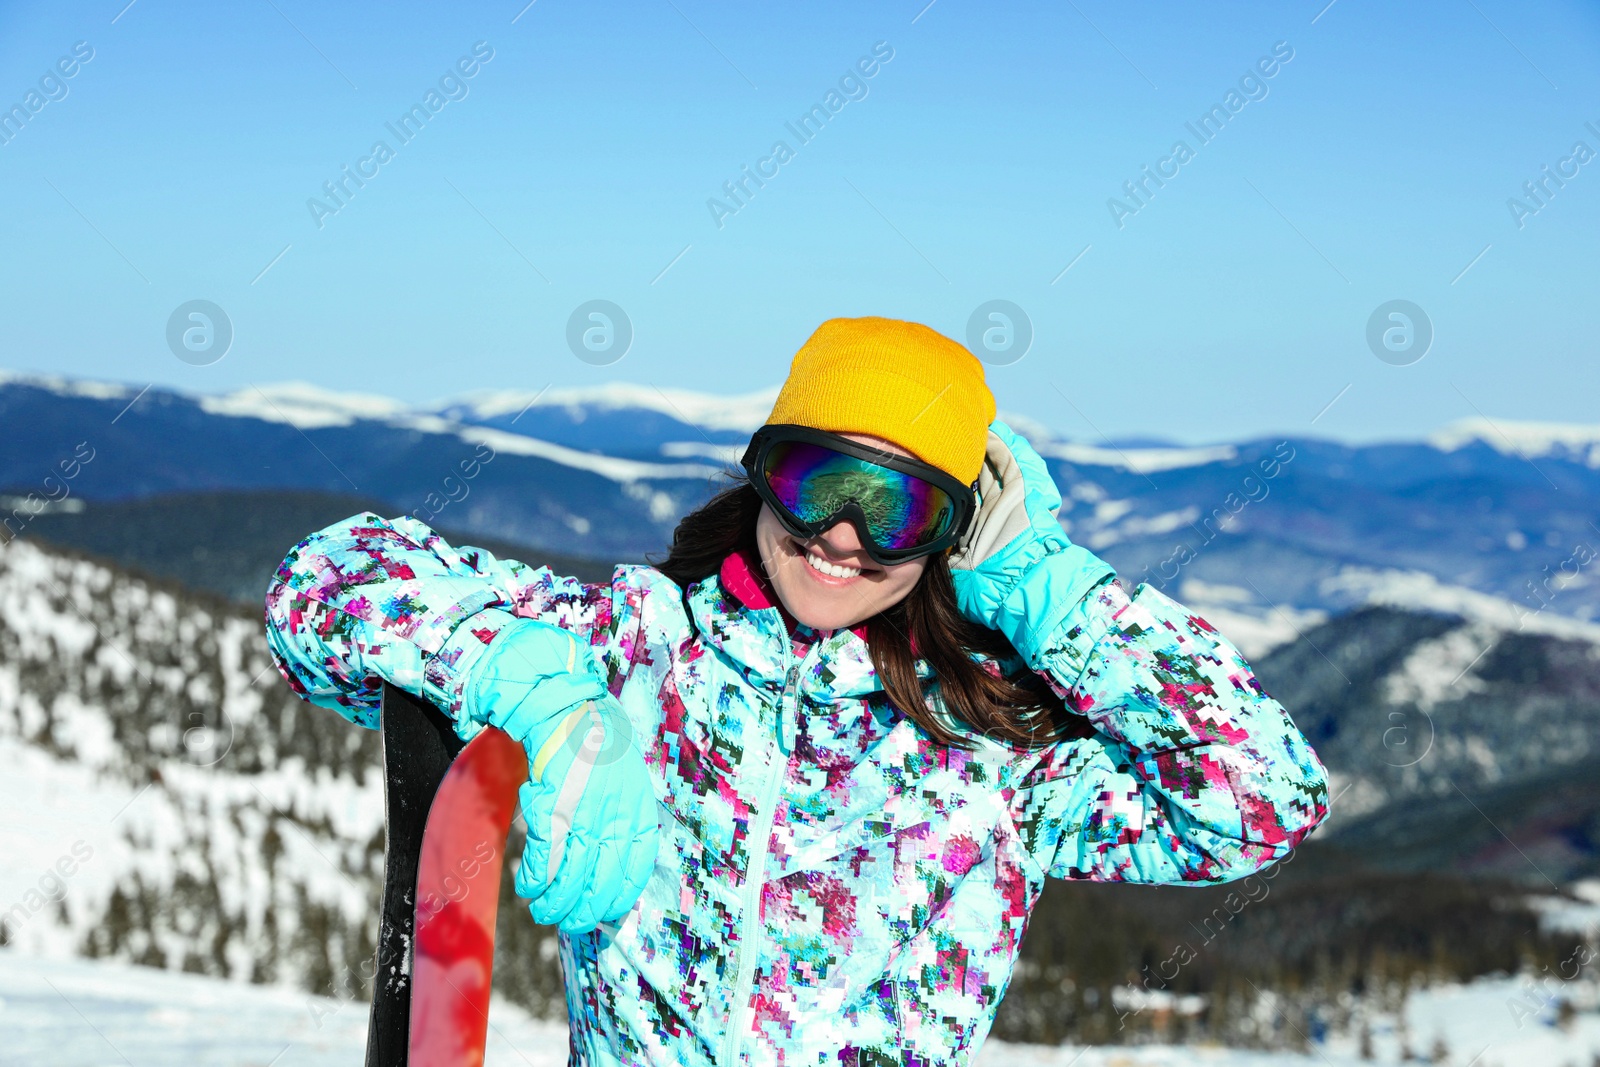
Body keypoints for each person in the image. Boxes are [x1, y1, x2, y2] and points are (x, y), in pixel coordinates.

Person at [265, 316, 1329, 1066]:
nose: (840, 537)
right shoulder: (638, 651)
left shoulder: (993, 751)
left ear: (955, 533)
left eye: (896, 507)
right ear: (760, 475)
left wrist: (1049, 591)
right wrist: (538, 689)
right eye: (815, 481)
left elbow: (1263, 795)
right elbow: (326, 582)